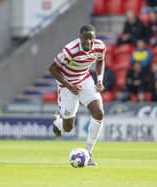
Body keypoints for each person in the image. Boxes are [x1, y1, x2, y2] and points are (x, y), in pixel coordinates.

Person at [48, 25, 106, 166]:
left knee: (99, 113)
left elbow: (100, 60)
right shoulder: (70, 50)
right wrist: (69, 86)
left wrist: (99, 80)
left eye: (91, 40)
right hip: (67, 85)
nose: (88, 43)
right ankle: (59, 122)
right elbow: (53, 69)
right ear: (80, 38)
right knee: (69, 128)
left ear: (94, 38)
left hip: (85, 80)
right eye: (85, 40)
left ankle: (89, 153)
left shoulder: (99, 46)